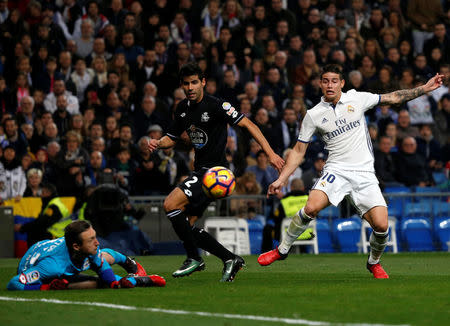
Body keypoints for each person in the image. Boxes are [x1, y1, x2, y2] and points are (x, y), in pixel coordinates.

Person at [257, 64, 443, 279]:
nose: (330, 85)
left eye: (334, 80)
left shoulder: (357, 99)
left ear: (342, 83)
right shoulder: (313, 115)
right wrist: (282, 179)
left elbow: (393, 97)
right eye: (325, 80)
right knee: (310, 207)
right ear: (320, 84)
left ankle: (374, 262)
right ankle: (282, 250)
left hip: (364, 173)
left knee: (381, 226)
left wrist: (424, 88)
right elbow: (299, 150)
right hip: (336, 170)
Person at [148, 62, 284, 282]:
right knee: (186, 225)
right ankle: (230, 259)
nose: (190, 87)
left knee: (170, 205)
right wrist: (157, 143)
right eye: (186, 83)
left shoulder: (218, 105)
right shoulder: (182, 109)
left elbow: (249, 125)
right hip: (201, 171)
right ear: (182, 86)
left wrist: (270, 154)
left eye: (194, 82)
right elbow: (171, 138)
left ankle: (194, 258)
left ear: (203, 82)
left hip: (214, 173)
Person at [8, 220, 165, 291]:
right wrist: (46, 287)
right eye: (91, 240)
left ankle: (131, 264)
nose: (97, 242)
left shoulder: (87, 248)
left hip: (70, 258)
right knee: (93, 283)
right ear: (76, 246)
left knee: (104, 257)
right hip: (40, 269)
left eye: (95, 236)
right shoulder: (52, 266)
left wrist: (117, 283)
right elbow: (15, 283)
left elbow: (109, 279)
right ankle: (138, 278)